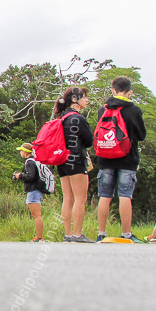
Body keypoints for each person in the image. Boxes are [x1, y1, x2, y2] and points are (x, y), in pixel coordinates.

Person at [95, 76, 147, 242]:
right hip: (127, 159)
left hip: (105, 159)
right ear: (130, 92)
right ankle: (126, 234)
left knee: (104, 195)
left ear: (113, 89)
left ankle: (101, 233)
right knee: (125, 195)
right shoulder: (135, 110)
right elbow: (141, 135)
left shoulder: (102, 110)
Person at [53, 87, 94, 243]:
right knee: (80, 198)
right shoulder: (78, 118)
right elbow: (89, 141)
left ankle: (68, 234)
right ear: (75, 100)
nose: (87, 100)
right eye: (84, 97)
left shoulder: (61, 118)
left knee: (67, 198)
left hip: (62, 160)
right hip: (76, 160)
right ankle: (77, 234)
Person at [13, 142, 47, 242]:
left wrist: (20, 176)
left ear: (26, 152)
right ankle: (39, 237)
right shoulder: (36, 160)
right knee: (37, 215)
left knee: (37, 215)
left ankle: (39, 237)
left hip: (33, 190)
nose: (21, 153)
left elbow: (31, 176)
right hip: (37, 190)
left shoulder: (29, 162)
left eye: (21, 151)